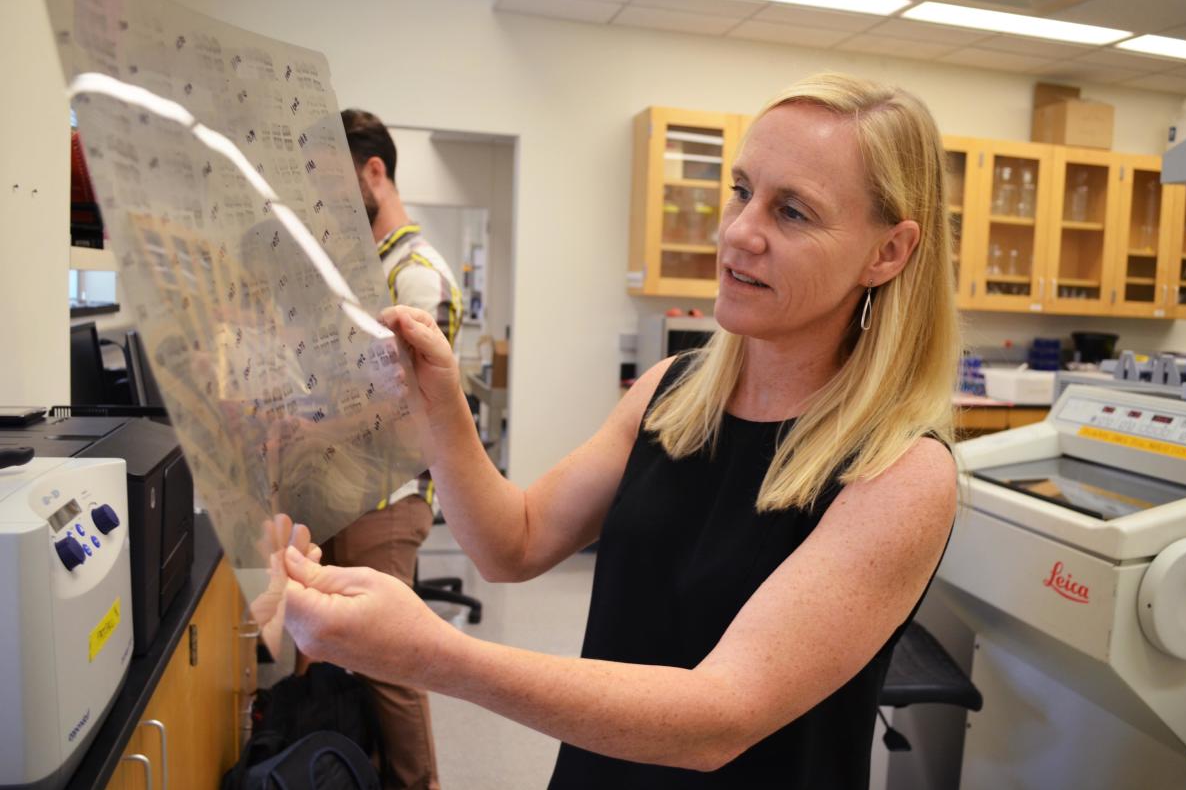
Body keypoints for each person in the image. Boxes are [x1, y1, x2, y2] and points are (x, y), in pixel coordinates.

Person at [282, 72, 960, 789]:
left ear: (888, 251)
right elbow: (512, 541)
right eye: (741, 190)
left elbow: (717, 716)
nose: (738, 230)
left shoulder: (902, 472)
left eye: (792, 211)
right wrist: (440, 401)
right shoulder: (671, 395)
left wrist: (432, 654)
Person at [309, 109, 463, 790]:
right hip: (347, 490)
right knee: (347, 656)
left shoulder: (416, 275)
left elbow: (398, 401)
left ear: (375, 171)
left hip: (388, 496)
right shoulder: (367, 266)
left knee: (391, 665)